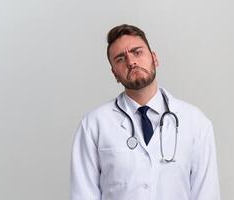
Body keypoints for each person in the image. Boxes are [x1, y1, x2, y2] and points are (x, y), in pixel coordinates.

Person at [70, 24, 220, 200]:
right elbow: (83, 194)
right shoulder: (94, 125)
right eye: (120, 58)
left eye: (137, 52)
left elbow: (206, 193)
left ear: (154, 58)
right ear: (114, 74)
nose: (131, 62)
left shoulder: (195, 122)